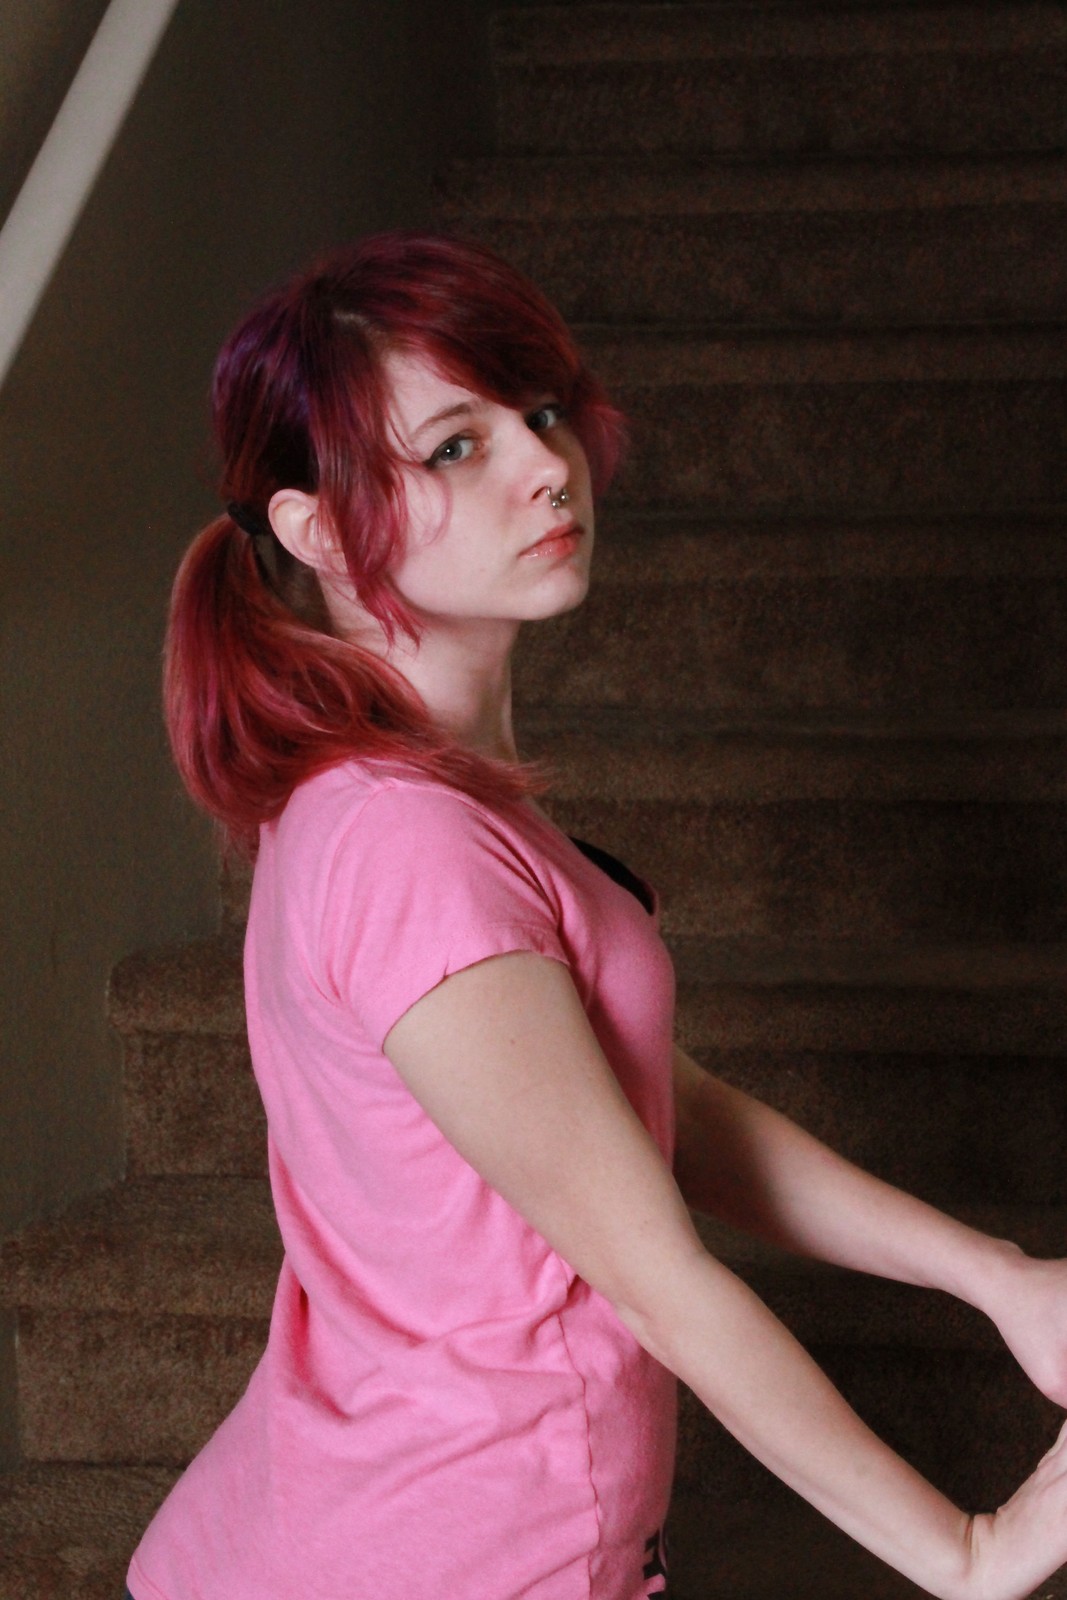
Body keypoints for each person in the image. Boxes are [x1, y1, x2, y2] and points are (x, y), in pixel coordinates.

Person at [127, 232, 1067, 1600]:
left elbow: (650, 1113)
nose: (544, 463)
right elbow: (652, 1276)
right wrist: (967, 1555)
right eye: (456, 447)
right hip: (448, 1555)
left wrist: (999, 1278)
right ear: (318, 530)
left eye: (542, 410)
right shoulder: (405, 844)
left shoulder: (411, 799)